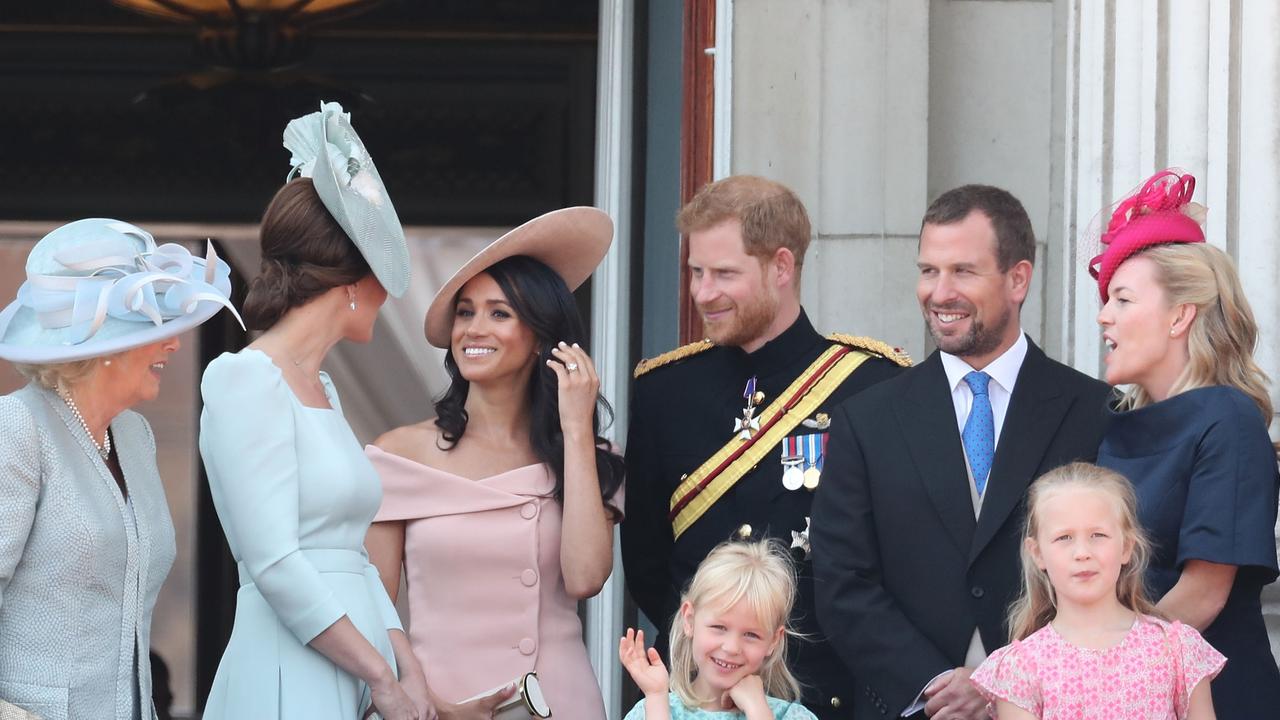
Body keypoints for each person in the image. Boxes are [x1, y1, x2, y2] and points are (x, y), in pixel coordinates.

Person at [811, 184, 1112, 719]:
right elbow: (842, 581)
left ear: (1018, 279)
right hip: (911, 705)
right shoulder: (867, 418)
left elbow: (1111, 571)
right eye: (928, 270)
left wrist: (1005, 678)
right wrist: (932, 681)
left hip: (1057, 703)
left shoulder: (1093, 409)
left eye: (963, 272)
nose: (939, 291)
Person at [622, 175, 909, 716]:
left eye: (724, 274)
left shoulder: (872, 385)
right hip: (698, 696)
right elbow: (647, 564)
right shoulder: (664, 390)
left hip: (826, 693)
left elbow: (894, 560)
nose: (704, 293)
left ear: (782, 266)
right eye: (697, 272)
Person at [199, 103, 424, 720]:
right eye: (381, 272)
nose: (388, 293)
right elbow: (272, 560)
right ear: (352, 282)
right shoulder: (242, 378)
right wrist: (380, 673)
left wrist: (407, 665)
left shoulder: (323, 384)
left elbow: (352, 555)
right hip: (289, 665)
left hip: (356, 663)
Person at [364, 207, 624, 718]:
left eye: (499, 313)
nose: (474, 329)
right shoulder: (398, 455)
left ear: (540, 339)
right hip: (437, 708)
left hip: (563, 704)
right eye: (466, 312)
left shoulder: (589, 459)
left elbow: (586, 578)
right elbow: (372, 608)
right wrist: (428, 703)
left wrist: (575, 428)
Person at [0, 218, 240, 719]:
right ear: (102, 344)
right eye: (155, 329)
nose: (173, 345)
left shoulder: (134, 436)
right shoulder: (18, 427)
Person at [1089, 169, 1280, 715]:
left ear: (1179, 316)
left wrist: (1097, 674)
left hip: (1207, 697)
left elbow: (1202, 594)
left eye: (1123, 299)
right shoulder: (1111, 420)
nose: (1104, 315)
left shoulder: (1228, 419)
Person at [970, 462, 1225, 719]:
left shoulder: (1176, 650)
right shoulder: (1019, 668)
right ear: (1037, 554)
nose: (1082, 553)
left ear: (1126, 546)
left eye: (1098, 535)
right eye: (1064, 538)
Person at [620, 540, 818, 720]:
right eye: (719, 627)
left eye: (751, 635)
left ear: (774, 641)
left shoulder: (792, 716)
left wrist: (757, 710)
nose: (732, 647)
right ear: (689, 619)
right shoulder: (650, 711)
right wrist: (656, 699)